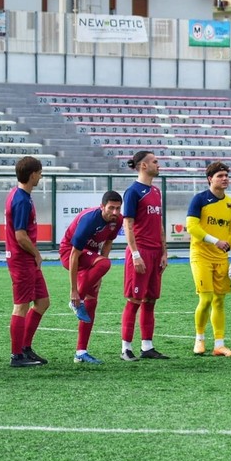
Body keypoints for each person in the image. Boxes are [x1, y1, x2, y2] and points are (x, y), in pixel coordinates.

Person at [186, 161, 231, 358]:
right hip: (201, 255)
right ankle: (199, 339)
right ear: (210, 179)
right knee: (206, 298)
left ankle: (219, 344)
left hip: (221, 258)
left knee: (219, 301)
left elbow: (229, 233)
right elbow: (192, 227)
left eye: (226, 175)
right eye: (220, 176)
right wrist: (214, 241)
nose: (225, 178)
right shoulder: (199, 200)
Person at [59, 190, 123, 364]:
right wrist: (74, 291)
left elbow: (108, 242)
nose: (115, 212)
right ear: (102, 206)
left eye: (118, 208)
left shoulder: (118, 220)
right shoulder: (89, 219)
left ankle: (80, 353)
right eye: (111, 208)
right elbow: (73, 255)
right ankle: (75, 301)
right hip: (70, 254)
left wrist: (99, 273)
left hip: (92, 258)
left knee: (92, 302)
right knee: (104, 264)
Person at [120, 151, 170, 361]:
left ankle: (147, 346)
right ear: (143, 166)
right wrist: (135, 254)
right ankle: (126, 348)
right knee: (134, 300)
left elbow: (158, 223)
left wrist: (164, 250)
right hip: (140, 253)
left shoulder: (156, 192)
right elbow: (128, 224)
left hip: (155, 253)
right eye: (155, 162)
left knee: (150, 300)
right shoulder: (133, 192)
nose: (159, 165)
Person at [5, 156, 50, 367]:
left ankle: (25, 347)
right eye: (40, 173)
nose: (41, 176)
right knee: (20, 306)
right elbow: (20, 235)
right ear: (32, 175)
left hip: (27, 260)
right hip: (22, 260)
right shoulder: (21, 199)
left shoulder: (20, 195)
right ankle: (16, 356)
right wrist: (37, 254)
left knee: (42, 302)